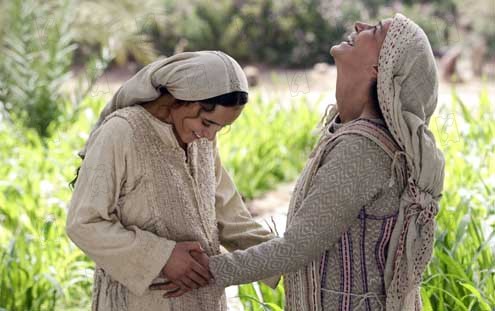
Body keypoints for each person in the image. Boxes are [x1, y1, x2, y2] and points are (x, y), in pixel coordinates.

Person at [206, 13, 445, 311]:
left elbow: (297, 247)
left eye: (376, 30)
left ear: (379, 68)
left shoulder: (362, 149)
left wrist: (205, 272)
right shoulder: (350, 132)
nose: (360, 26)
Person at [65, 51, 278, 311]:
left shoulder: (201, 139)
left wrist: (290, 256)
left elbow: (231, 218)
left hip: (204, 300)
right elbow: (83, 222)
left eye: (219, 129)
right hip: (141, 303)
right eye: (207, 122)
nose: (209, 137)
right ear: (181, 99)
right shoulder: (121, 132)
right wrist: (162, 257)